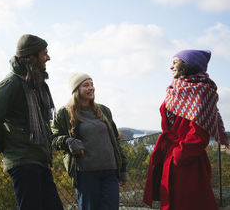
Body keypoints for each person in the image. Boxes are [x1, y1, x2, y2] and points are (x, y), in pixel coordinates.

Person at [0, 34, 64, 210]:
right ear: (31, 57)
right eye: (44, 54)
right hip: (23, 161)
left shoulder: (36, 83)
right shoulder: (11, 83)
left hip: (40, 159)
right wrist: (7, 144)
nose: (48, 58)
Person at [143, 49, 229, 210]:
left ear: (188, 65)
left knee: (188, 203)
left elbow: (199, 135)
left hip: (188, 162)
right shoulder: (175, 89)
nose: (171, 67)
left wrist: (179, 156)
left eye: (175, 62)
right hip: (171, 157)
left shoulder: (202, 91)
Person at [51, 72, 127, 210]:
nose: (91, 88)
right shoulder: (64, 113)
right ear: (76, 90)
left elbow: (115, 140)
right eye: (86, 85)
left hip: (110, 172)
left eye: (92, 84)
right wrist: (69, 141)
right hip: (85, 174)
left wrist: (122, 169)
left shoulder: (104, 110)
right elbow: (53, 138)